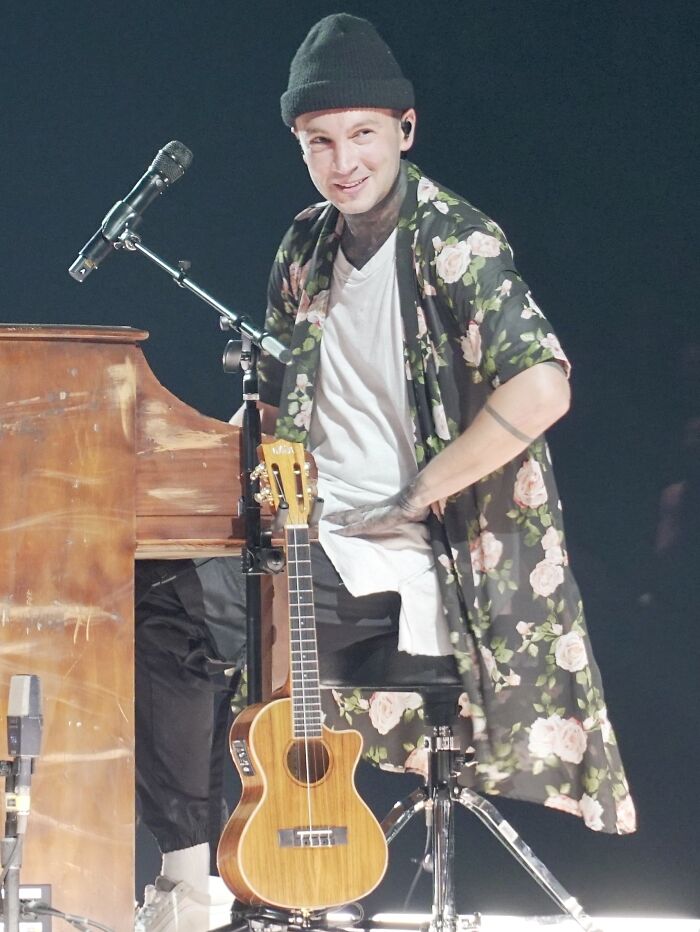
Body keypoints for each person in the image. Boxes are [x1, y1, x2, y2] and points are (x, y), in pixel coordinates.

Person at [136, 12, 636, 930]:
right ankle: (193, 875)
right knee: (156, 593)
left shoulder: (455, 241)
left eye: (362, 134)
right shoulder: (306, 244)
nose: (344, 162)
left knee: (185, 614)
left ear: (406, 129)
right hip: (309, 527)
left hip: (410, 550)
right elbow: (274, 400)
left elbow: (542, 386)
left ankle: (202, 875)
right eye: (320, 142)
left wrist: (412, 498)